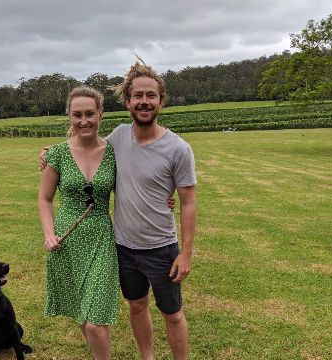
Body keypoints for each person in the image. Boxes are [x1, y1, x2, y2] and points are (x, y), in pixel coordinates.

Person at [107, 60, 197, 360]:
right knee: (136, 305)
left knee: (172, 314)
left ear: (160, 101)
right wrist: (52, 152)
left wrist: (185, 253)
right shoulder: (118, 137)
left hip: (161, 249)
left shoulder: (178, 149)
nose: (144, 102)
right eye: (138, 96)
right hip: (124, 248)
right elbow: (86, 149)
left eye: (151, 96)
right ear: (127, 101)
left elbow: (188, 202)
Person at [37, 86, 119, 360]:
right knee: (82, 314)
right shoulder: (57, 154)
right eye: (77, 115)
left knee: (95, 319)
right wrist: (49, 234)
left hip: (101, 240)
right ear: (69, 117)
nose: (83, 121)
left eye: (89, 114)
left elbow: (135, 187)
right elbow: (45, 199)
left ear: (100, 114)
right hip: (66, 242)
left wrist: (164, 199)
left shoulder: (114, 152)